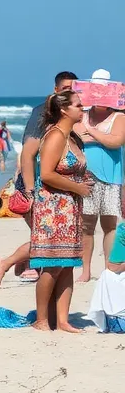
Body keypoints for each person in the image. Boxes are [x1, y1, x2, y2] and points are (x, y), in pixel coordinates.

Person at [0, 72, 77, 286]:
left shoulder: (75, 114)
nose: (70, 91)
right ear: (56, 89)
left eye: (74, 87)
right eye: (66, 87)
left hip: (58, 190)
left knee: (47, 239)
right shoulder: (42, 113)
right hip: (37, 185)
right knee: (45, 239)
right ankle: (7, 263)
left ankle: (25, 265)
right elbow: (28, 155)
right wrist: (31, 191)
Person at [29, 90, 90, 332]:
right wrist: (78, 187)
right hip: (53, 211)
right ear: (64, 110)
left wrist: (82, 185)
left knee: (67, 265)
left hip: (70, 208)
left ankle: (63, 320)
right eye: (78, 105)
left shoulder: (71, 137)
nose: (82, 108)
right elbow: (46, 173)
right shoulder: (55, 136)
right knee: (52, 264)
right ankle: (41, 319)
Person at [76, 70, 125, 282]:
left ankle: (108, 268)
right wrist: (102, 136)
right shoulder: (82, 113)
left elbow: (116, 141)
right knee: (86, 225)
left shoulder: (119, 116)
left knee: (109, 224)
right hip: (86, 174)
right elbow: (77, 136)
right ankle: (86, 270)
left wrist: (93, 133)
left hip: (111, 177)